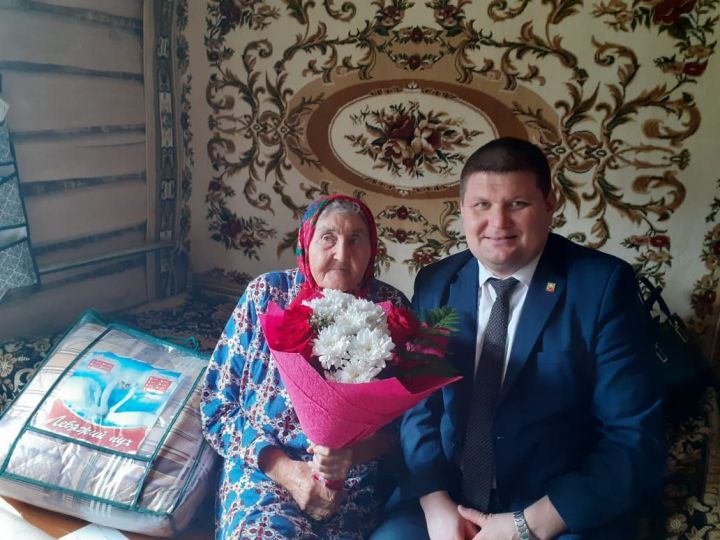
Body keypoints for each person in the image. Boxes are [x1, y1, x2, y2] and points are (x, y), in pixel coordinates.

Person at [372, 137, 665, 539]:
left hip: (555, 510)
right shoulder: (437, 282)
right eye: (482, 205)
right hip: (448, 500)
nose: (498, 223)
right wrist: (435, 502)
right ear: (462, 209)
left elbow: (634, 437)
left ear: (549, 205)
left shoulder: (601, 287)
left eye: (517, 204)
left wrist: (526, 526)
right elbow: (419, 408)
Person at [201, 194, 408, 539]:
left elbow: (406, 427)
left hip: (352, 480)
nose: (341, 253)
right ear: (306, 242)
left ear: (372, 250)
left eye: (355, 240)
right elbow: (216, 406)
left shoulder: (392, 309)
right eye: (328, 238)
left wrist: (348, 457)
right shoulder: (265, 295)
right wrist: (284, 469)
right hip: (263, 470)